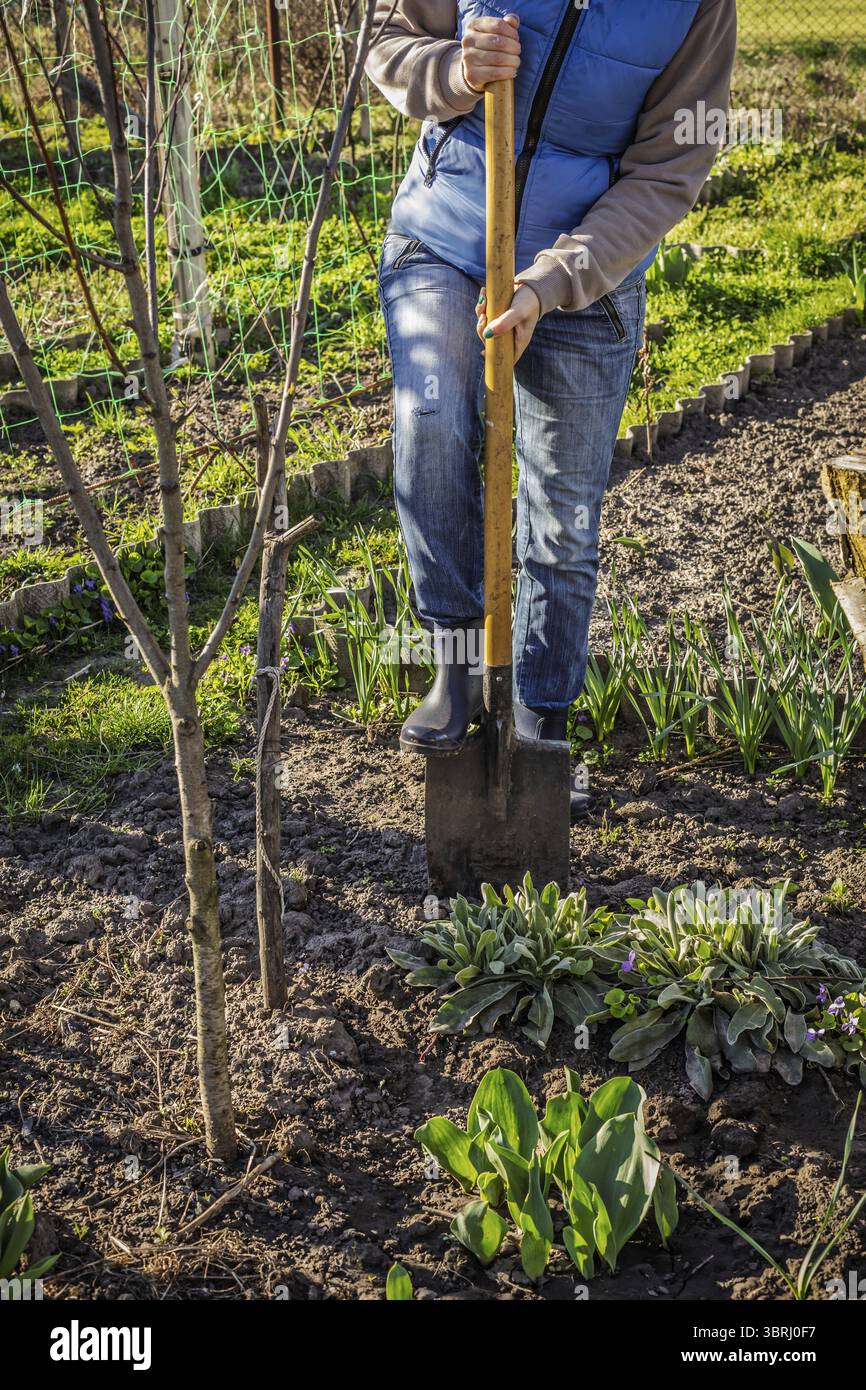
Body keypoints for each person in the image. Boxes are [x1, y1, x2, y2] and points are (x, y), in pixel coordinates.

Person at [366, 0, 736, 812]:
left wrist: (548, 282)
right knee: (430, 424)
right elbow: (387, 45)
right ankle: (457, 666)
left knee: (562, 516)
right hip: (446, 239)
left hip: (585, 278)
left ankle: (539, 720)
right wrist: (457, 72)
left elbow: (669, 170)